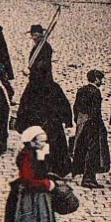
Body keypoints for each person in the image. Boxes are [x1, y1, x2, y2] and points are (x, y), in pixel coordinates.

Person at [15, 24, 73, 176]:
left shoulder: (45, 47)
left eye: (37, 35)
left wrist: (33, 70)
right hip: (36, 80)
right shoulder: (37, 47)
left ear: (41, 34)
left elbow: (43, 66)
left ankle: (53, 165)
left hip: (42, 81)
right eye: (33, 35)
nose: (34, 37)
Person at [71, 70, 111, 188]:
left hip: (82, 123)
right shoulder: (95, 92)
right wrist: (100, 127)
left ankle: (81, 172)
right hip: (93, 125)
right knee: (93, 152)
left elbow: (76, 107)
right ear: (96, 79)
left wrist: (77, 121)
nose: (101, 82)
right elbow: (96, 112)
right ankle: (89, 178)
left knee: (82, 148)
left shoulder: (81, 90)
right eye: (100, 79)